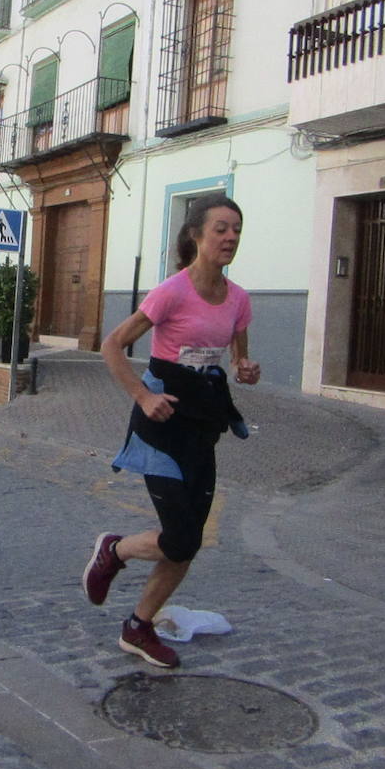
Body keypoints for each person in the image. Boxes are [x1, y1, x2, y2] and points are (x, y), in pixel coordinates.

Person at [82, 195, 259, 669]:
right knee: (180, 538)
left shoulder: (239, 299)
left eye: (236, 230)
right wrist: (143, 396)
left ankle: (138, 627)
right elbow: (113, 345)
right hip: (161, 426)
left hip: (203, 425)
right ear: (196, 236)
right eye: (221, 228)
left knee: (189, 542)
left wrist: (245, 368)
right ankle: (114, 550)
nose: (230, 237)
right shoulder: (172, 292)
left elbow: (238, 357)